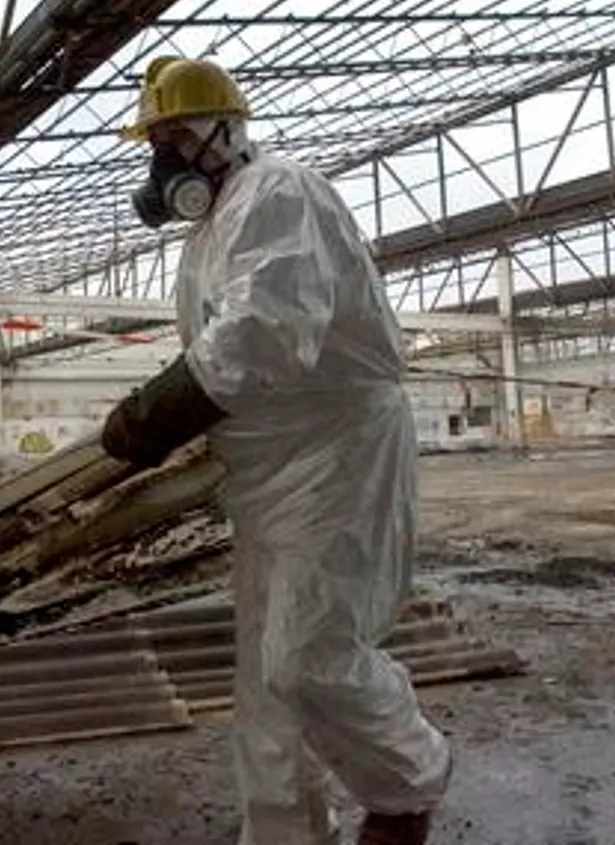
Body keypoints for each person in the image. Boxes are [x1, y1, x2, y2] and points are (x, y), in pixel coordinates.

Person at [100, 57, 452, 845]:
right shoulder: (206, 235)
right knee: (265, 675)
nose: (165, 160)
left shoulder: (281, 190)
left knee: (308, 655)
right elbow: (228, 348)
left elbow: (265, 331)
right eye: (155, 142)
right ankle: (285, 833)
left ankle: (406, 788)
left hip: (336, 457)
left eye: (177, 136)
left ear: (227, 130)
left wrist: (156, 414)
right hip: (267, 470)